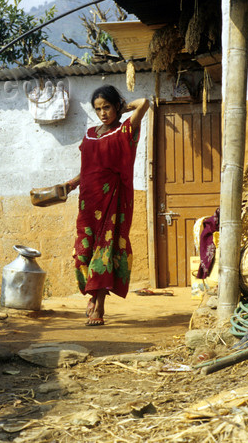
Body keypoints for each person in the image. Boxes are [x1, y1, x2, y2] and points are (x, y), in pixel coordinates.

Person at [64, 85, 149, 326]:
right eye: (98, 109)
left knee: (106, 250)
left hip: (114, 201)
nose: (103, 113)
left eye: (107, 107)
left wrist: (124, 108)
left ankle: (99, 304)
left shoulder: (125, 130)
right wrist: (71, 183)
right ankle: (92, 293)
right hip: (88, 202)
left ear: (116, 106)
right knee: (83, 252)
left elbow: (144, 103)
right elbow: (88, 169)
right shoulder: (90, 133)